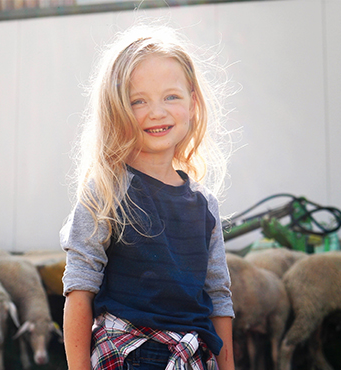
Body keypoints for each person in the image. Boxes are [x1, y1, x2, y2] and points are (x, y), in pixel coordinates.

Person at [60, 21, 234, 370]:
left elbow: (219, 297)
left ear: (193, 102)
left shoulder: (205, 207)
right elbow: (79, 288)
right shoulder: (106, 192)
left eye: (171, 96)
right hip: (127, 355)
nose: (157, 112)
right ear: (116, 108)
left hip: (192, 357)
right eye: (138, 101)